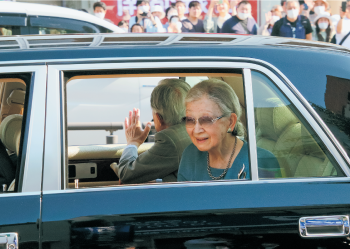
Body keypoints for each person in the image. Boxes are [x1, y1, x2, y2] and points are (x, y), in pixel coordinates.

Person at [177, 79, 280, 182]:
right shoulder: (190, 155)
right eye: (190, 120)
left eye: (206, 120)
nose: (196, 130)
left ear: (230, 122)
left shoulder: (261, 161)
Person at [111, 79, 192, 184]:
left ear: (158, 118)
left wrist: (133, 143)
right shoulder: (195, 129)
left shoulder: (170, 139)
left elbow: (126, 174)